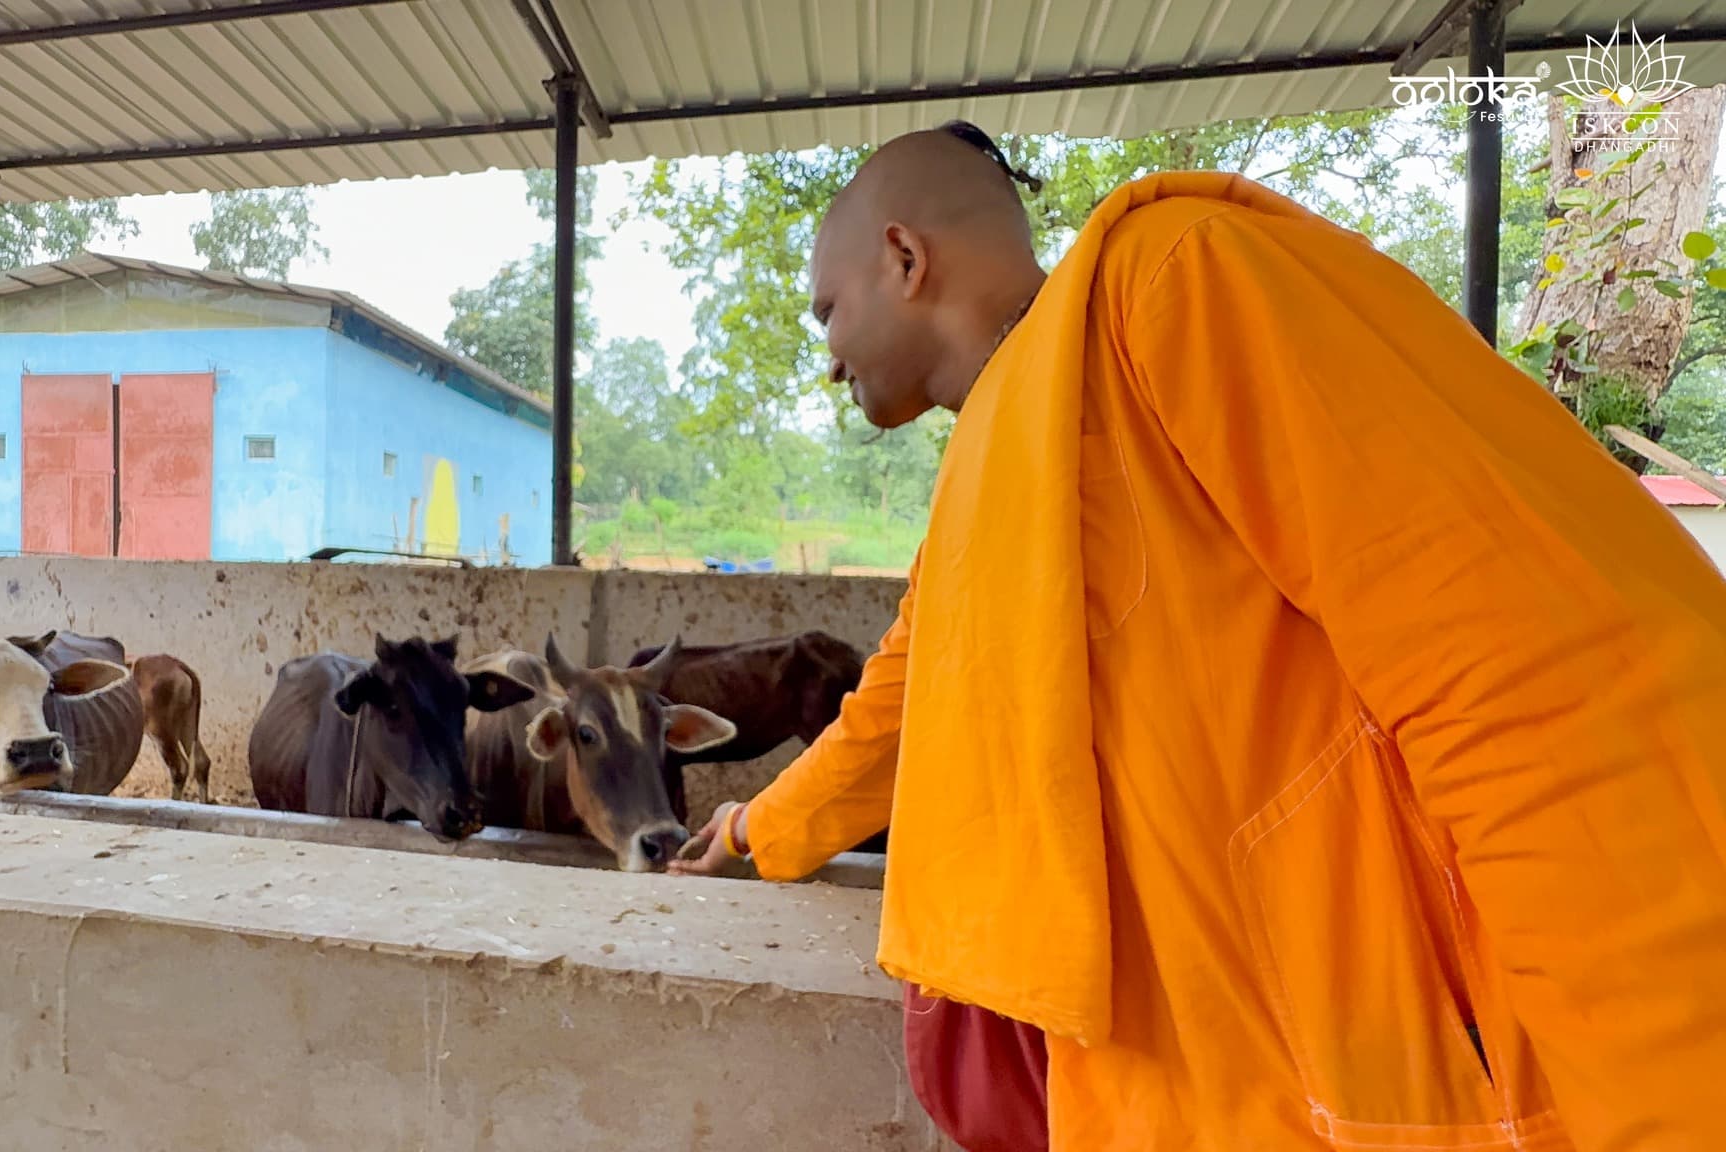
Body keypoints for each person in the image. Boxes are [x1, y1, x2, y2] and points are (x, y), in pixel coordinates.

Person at [670, 121, 1726, 1152]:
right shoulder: (1000, 457)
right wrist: (750, 834)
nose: (826, 361)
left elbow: (1526, 662)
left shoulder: (1177, 279)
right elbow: (901, 710)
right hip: (1178, 1083)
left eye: (824, 313)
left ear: (903, 257)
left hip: (1393, 1073)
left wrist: (1657, 1096)